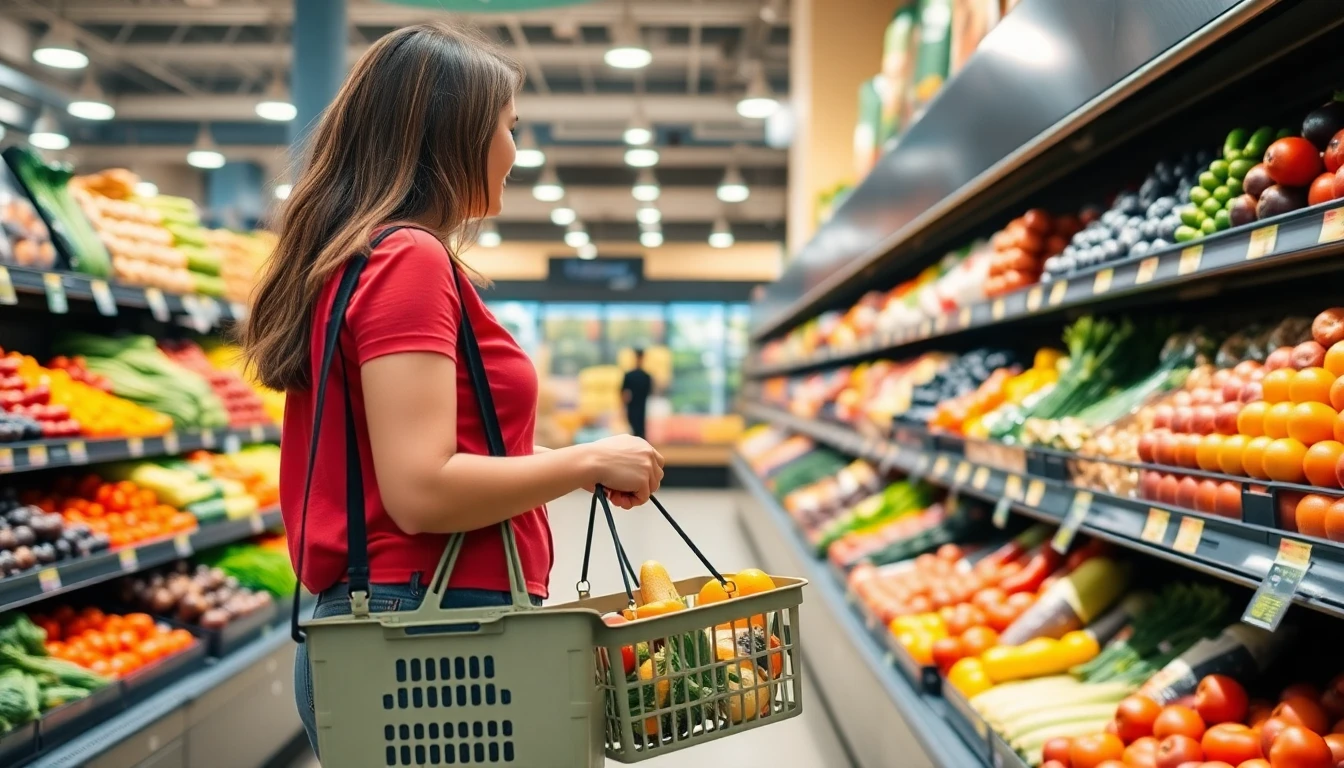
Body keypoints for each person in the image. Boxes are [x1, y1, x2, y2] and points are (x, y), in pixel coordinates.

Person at [239, 23, 664, 757]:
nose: (515, 151)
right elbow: (421, 490)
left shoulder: (363, 255)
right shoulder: (408, 257)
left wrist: (568, 463)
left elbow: (424, 455)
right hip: (431, 635)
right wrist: (586, 460)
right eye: (509, 127)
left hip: (414, 627)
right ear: (455, 134)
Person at [622, 348, 654, 439]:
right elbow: (623, 393)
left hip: (640, 405)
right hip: (634, 405)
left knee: (639, 427)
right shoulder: (642, 376)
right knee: (636, 427)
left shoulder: (644, 376)